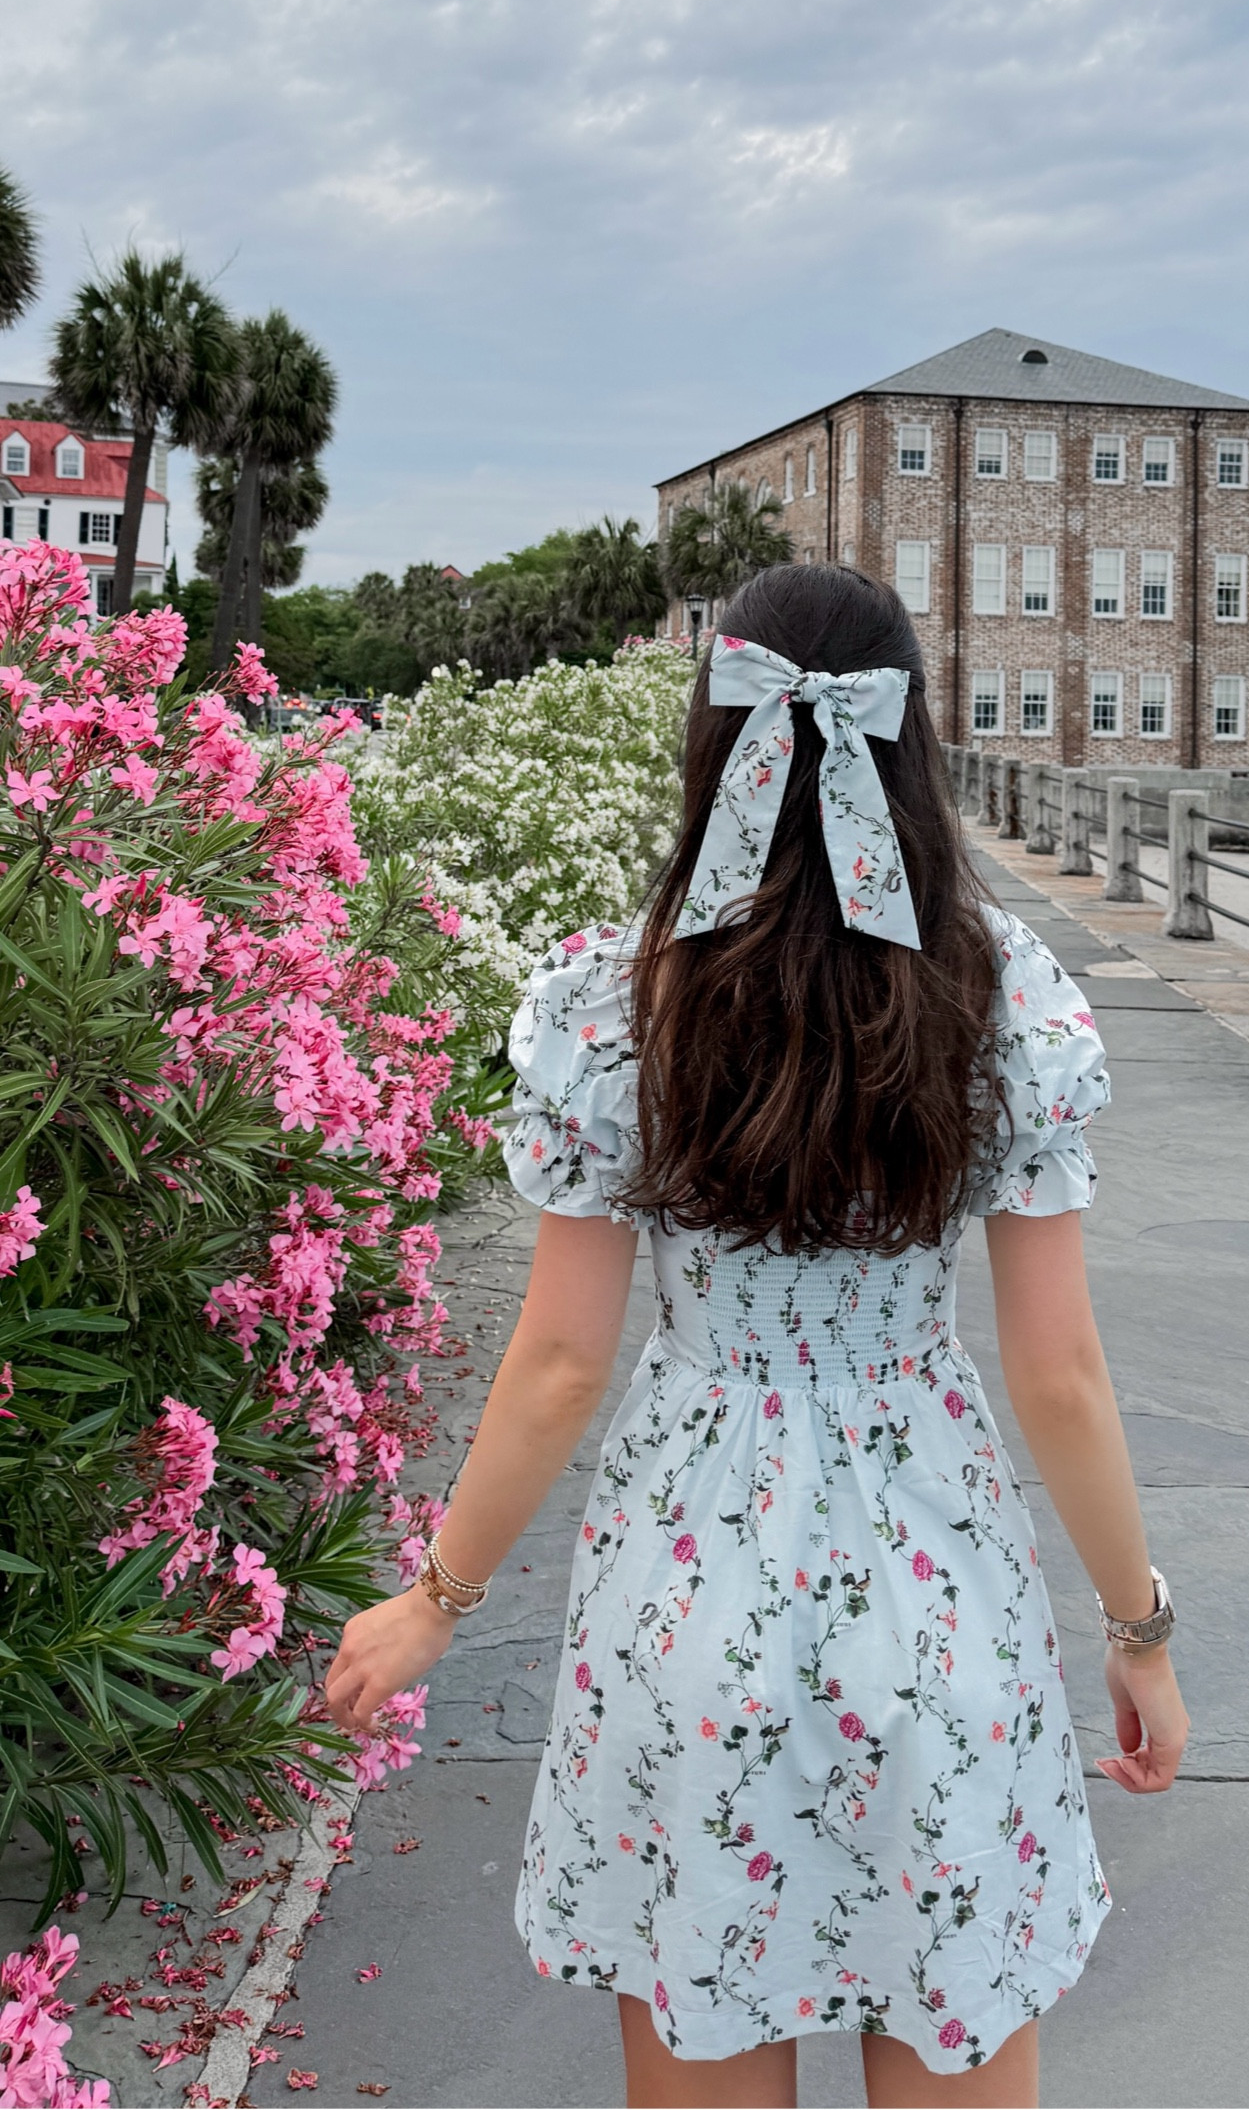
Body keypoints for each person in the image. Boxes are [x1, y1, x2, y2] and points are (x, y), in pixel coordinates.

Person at [327, 563, 1188, 2109]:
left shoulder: (618, 1006)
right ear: (914, 749)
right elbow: (1057, 1372)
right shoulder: (999, 1005)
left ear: (713, 748)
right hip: (940, 1609)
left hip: (688, 1604)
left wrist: (435, 1603)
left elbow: (561, 1363)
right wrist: (1139, 1631)